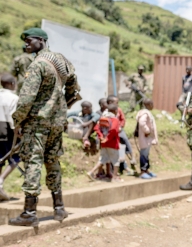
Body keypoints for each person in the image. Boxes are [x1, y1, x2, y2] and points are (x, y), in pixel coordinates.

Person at [9, 27, 80, 227]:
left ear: (41, 40)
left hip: (37, 123)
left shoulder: (38, 64)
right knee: (52, 161)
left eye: (29, 41)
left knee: (33, 162)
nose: (26, 45)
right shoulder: (63, 62)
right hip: (57, 123)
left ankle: (30, 212)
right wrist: (61, 106)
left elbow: (25, 99)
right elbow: (74, 89)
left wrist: (18, 120)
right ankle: (59, 208)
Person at [88, 104, 122, 182]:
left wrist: (101, 137)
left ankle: (91, 172)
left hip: (104, 143)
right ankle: (114, 177)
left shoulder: (103, 118)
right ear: (115, 111)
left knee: (102, 159)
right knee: (116, 160)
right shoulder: (115, 119)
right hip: (113, 143)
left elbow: (96, 128)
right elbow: (113, 130)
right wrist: (107, 138)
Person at [0, 74, 20, 201]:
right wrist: (18, 133)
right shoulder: (14, 98)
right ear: (12, 84)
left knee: (0, 158)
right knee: (16, 156)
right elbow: (14, 118)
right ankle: (0, 180)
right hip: (7, 129)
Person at [106, 95, 136, 176]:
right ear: (110, 103)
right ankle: (117, 170)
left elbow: (123, 119)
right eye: (116, 102)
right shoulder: (106, 112)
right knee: (115, 150)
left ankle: (132, 155)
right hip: (111, 133)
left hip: (119, 130)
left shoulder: (119, 110)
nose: (118, 104)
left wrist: (120, 127)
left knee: (125, 140)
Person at [135, 99, 158, 179]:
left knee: (146, 154)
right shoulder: (145, 113)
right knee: (144, 154)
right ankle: (142, 172)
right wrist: (147, 130)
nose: (153, 105)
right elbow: (142, 122)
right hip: (145, 137)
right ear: (148, 105)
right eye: (152, 104)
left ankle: (146, 170)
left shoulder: (147, 112)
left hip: (147, 138)